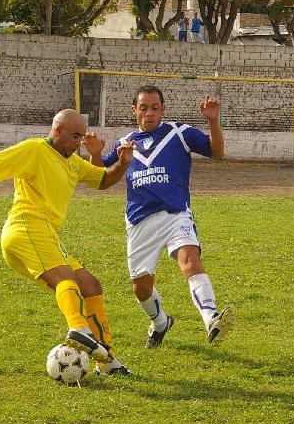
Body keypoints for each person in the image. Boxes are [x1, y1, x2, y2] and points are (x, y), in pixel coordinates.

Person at [0, 109, 135, 375]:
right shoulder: (35, 149)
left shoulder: (71, 161)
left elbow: (103, 179)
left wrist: (123, 162)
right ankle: (78, 329)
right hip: (26, 228)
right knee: (66, 278)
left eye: (82, 136)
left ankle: (106, 361)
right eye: (75, 135)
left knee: (90, 286)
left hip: (46, 235)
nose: (79, 141)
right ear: (58, 130)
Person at [84, 86, 234, 349]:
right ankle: (161, 322)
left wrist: (213, 120)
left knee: (190, 261)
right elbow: (99, 178)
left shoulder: (180, 133)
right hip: (140, 221)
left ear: (163, 109)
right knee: (141, 289)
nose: (149, 113)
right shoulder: (124, 143)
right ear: (134, 110)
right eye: (144, 107)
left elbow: (217, 152)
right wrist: (95, 153)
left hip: (176, 214)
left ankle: (211, 318)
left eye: (155, 107)